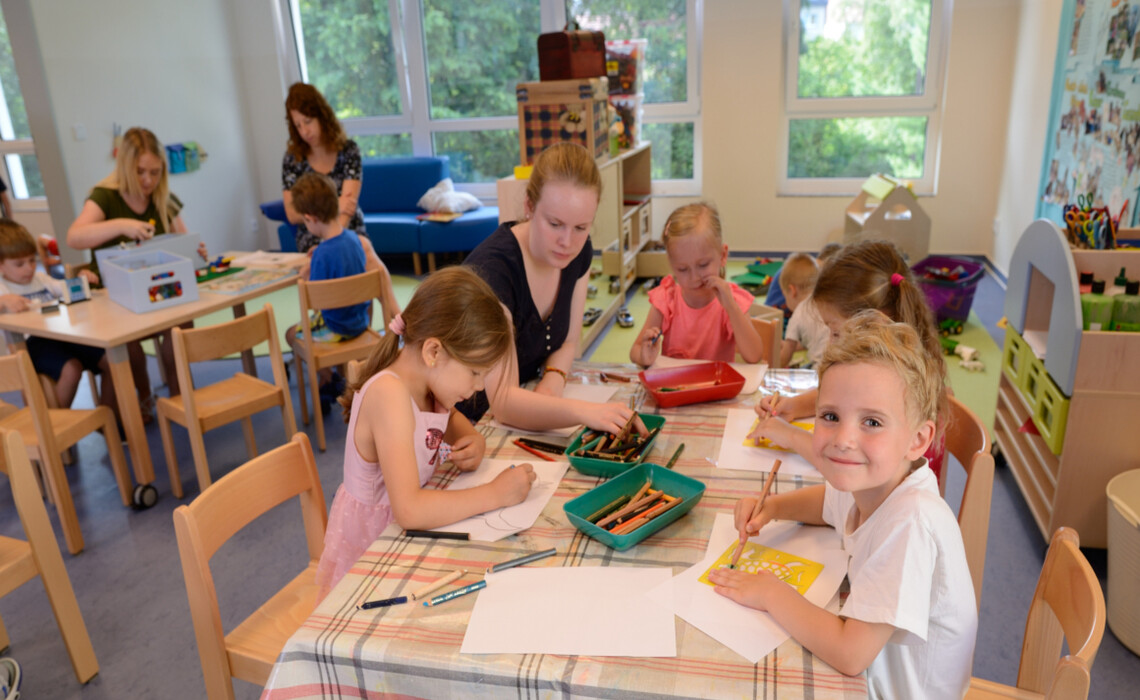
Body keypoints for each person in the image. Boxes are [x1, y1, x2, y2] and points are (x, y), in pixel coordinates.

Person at [711, 312, 976, 699]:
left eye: (871, 422)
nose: (844, 439)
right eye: (830, 416)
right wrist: (773, 506)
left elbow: (850, 654)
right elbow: (828, 505)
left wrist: (772, 592)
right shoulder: (876, 483)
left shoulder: (912, 521)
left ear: (917, 440)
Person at [315, 266, 536, 601]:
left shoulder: (428, 383)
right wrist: (495, 494)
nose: (479, 387)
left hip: (405, 539)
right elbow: (410, 511)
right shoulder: (390, 395)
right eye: (475, 372)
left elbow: (450, 421)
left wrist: (474, 440)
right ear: (434, 352)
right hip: (373, 553)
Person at [460, 142, 643, 435]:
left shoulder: (577, 255)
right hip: (461, 424)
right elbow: (503, 403)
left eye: (581, 228)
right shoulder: (493, 273)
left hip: (523, 408)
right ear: (529, 207)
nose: (567, 242)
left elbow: (569, 342)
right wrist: (586, 412)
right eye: (555, 224)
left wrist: (553, 380)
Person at [752, 239, 949, 481]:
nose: (830, 346)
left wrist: (790, 435)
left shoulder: (903, 387)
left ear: (875, 324)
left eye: (835, 333)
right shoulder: (892, 364)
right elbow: (853, 397)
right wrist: (796, 405)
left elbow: (849, 463)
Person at [66, 126, 201, 418]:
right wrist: (122, 225)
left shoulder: (163, 196)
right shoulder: (104, 197)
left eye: (155, 172)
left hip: (160, 292)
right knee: (130, 348)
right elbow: (74, 237)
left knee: (180, 328)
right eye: (141, 172)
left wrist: (196, 252)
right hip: (117, 297)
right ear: (126, 167)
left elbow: (186, 243)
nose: (148, 180)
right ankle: (143, 397)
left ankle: (180, 400)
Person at [281, 83, 400, 323]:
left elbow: (348, 203)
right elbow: (293, 212)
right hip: (313, 232)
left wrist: (334, 235)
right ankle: (397, 321)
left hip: (347, 226)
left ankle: (394, 323)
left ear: (321, 116)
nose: (304, 130)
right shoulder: (293, 159)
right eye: (298, 125)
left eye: (308, 121)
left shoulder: (348, 150)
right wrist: (331, 209)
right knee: (361, 251)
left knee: (359, 249)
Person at [0, 219, 119, 414]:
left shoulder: (41, 279)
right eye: (19, 264)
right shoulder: (3, 287)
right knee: (71, 369)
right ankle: (56, 431)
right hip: (31, 346)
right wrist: (3, 301)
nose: (29, 268)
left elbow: (65, 289)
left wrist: (82, 279)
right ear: (1, 266)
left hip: (61, 336)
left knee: (111, 359)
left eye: (32, 260)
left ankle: (108, 417)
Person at [283, 172, 379, 413]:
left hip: (336, 329)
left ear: (310, 218)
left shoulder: (322, 254)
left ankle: (326, 380)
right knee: (327, 318)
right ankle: (338, 376)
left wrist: (306, 277)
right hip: (360, 322)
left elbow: (318, 304)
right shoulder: (356, 240)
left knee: (291, 333)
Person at [629, 202, 765, 367]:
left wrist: (731, 308)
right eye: (683, 269)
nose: (694, 277)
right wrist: (644, 355)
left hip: (716, 390)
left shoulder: (730, 301)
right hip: (675, 388)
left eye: (703, 265)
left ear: (723, 255)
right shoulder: (667, 299)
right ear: (672, 265)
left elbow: (754, 355)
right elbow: (635, 350)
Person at [777, 252, 829, 368]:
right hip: (841, 362)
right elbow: (816, 337)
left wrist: (771, 366)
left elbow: (786, 357)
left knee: (802, 369)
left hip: (820, 369)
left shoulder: (798, 314)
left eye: (785, 295)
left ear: (792, 290)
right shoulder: (826, 301)